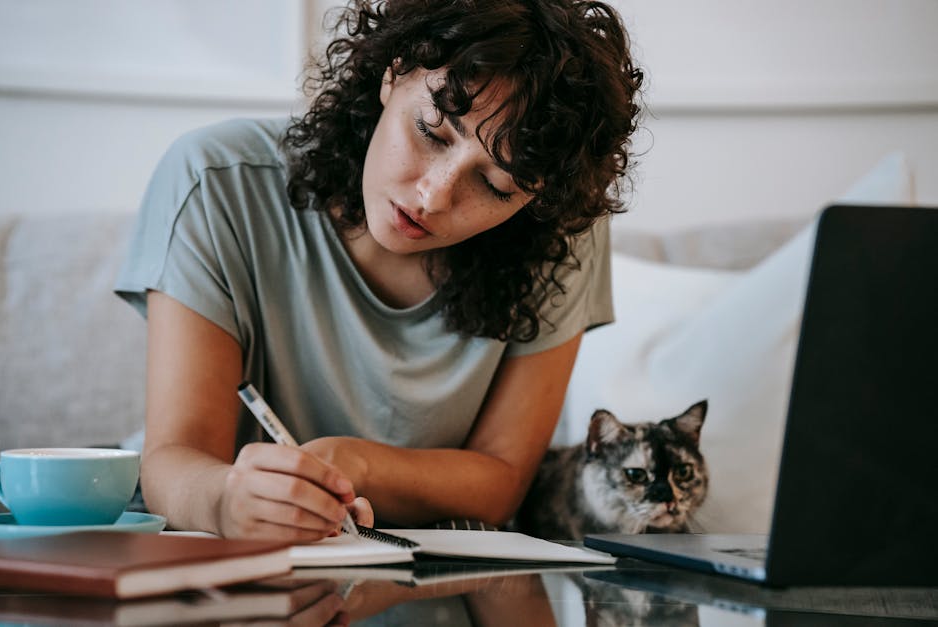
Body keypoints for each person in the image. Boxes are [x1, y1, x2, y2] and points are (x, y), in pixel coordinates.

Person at [115, 0, 643, 541]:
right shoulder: (216, 181)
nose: (433, 195)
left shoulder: (559, 237)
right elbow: (174, 461)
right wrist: (229, 500)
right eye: (431, 133)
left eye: (495, 186)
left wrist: (353, 462)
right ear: (394, 71)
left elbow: (502, 478)